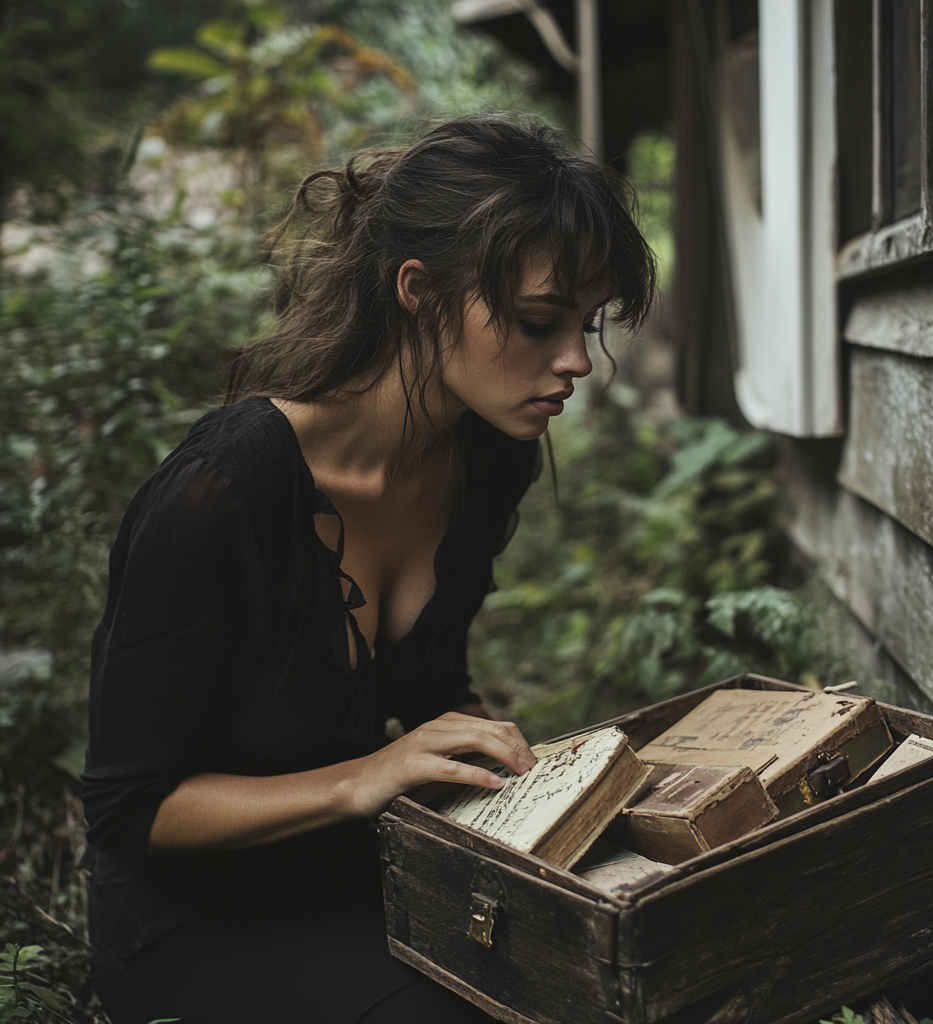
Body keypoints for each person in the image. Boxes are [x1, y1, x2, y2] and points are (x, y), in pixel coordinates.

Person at [81, 115, 655, 1023]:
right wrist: (365, 776)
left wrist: (523, 770)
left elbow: (434, 692)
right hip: (196, 918)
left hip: (370, 869)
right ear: (419, 290)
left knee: (629, 964)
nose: (577, 361)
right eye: (542, 321)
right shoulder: (219, 493)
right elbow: (129, 811)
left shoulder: (484, 457)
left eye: (587, 324)